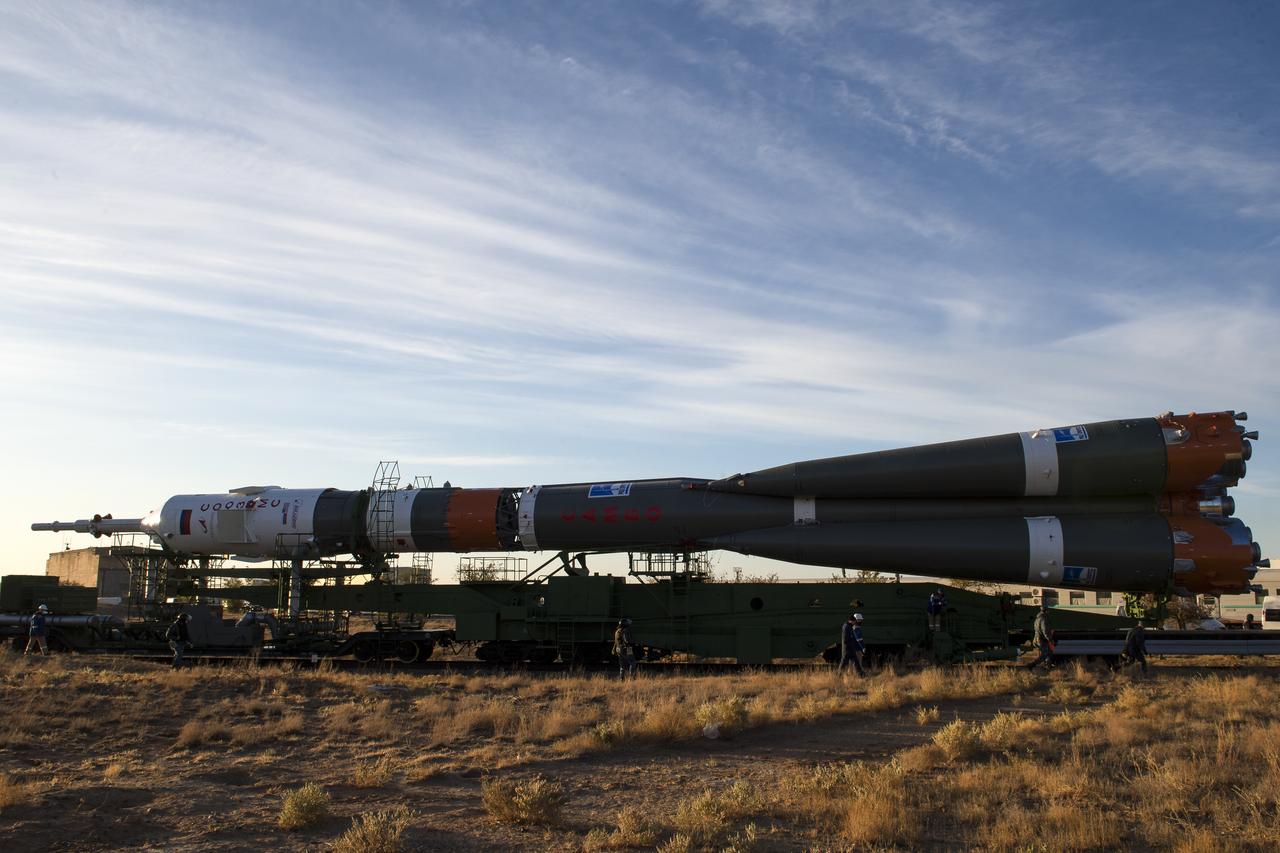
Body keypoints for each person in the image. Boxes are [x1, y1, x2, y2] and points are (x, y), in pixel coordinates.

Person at [1026, 606, 1054, 670]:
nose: (1049, 612)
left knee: (1049, 652)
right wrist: (1049, 639)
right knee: (1045, 654)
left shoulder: (1037, 618)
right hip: (1041, 639)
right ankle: (1032, 665)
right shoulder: (1043, 619)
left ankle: (1048, 666)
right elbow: (1045, 631)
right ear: (1045, 611)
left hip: (1037, 639)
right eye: (1048, 610)